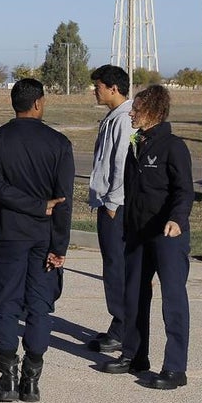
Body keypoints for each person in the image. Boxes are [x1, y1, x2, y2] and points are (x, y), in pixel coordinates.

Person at [0, 78, 73, 403]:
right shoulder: (59, 143)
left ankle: (7, 379)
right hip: (44, 238)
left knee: (6, 305)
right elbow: (64, 201)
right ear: (38, 103)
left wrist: (33, 206)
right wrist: (59, 247)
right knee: (40, 308)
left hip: (7, 234)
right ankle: (31, 380)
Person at [97, 84, 194, 389]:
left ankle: (175, 368)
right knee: (134, 296)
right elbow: (131, 190)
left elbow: (184, 191)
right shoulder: (136, 144)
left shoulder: (173, 147)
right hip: (137, 233)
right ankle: (134, 354)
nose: (132, 114)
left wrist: (177, 220)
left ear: (153, 112)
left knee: (173, 299)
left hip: (166, 234)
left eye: (137, 110)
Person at [87, 64, 133, 354]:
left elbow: (122, 163)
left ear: (113, 88)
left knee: (117, 268)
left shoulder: (125, 119)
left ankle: (123, 328)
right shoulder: (114, 117)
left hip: (117, 207)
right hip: (108, 203)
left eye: (99, 86)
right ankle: (121, 324)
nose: (95, 90)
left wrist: (114, 202)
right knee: (114, 266)